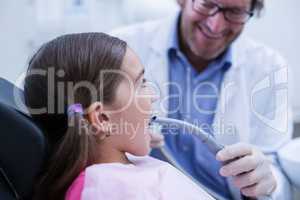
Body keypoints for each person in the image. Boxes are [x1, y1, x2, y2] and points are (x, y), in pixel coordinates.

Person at [111, 0, 293, 199]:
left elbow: (279, 170)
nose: (216, 25)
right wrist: (118, 133)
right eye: (206, 4)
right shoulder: (122, 46)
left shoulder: (270, 68)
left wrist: (266, 180)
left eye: (234, 12)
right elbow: (85, 133)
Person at [24, 32, 215, 200]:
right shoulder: (112, 189)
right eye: (141, 83)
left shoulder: (117, 178)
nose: (154, 95)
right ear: (102, 119)